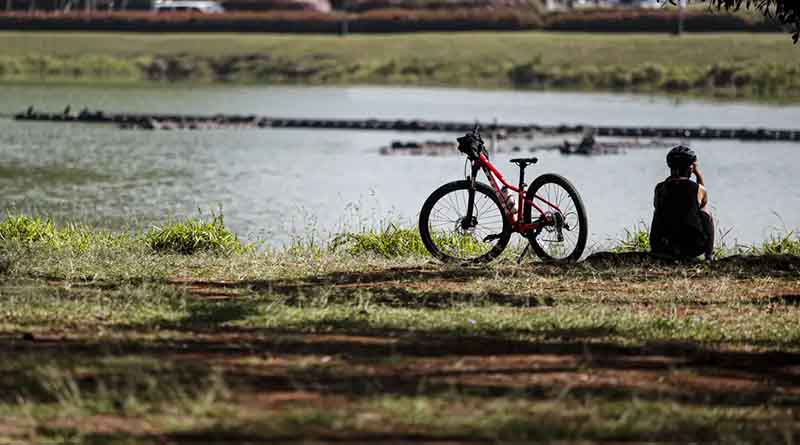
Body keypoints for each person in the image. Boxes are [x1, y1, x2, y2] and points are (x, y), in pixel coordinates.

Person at [650, 145, 714, 261]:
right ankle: (708, 256)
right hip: (693, 247)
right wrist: (697, 173)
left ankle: (655, 250)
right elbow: (702, 202)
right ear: (691, 168)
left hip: (665, 246)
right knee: (706, 216)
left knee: (657, 212)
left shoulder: (660, 188)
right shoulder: (699, 190)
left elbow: (657, 206)